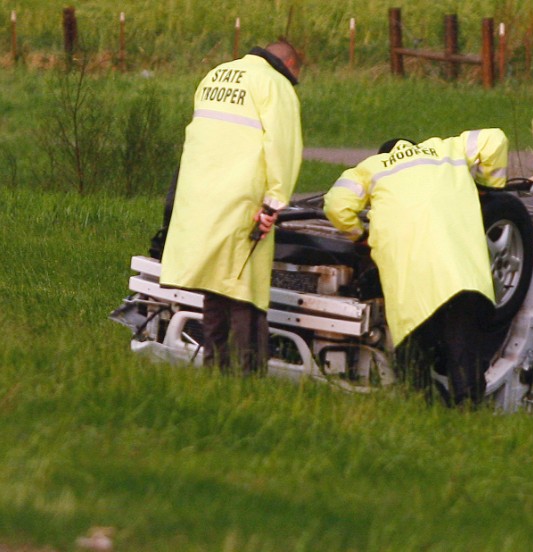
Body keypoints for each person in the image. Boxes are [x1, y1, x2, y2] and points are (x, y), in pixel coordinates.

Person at [323, 129, 509, 405]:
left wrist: (359, 235)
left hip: (411, 281)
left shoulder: (370, 169)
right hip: (461, 274)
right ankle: (468, 411)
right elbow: (495, 139)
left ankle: (421, 410)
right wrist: (489, 187)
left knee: (413, 356)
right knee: (464, 350)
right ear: (415, 147)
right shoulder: (447, 149)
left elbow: (336, 205)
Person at [160, 40, 304, 375]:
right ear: (290, 63)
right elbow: (283, 147)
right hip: (243, 201)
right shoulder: (275, 83)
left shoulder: (215, 75)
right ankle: (247, 375)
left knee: (215, 285)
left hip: (200, 201)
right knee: (244, 288)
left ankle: (214, 368)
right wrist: (273, 205)